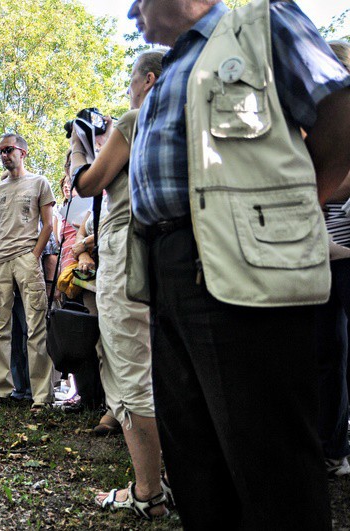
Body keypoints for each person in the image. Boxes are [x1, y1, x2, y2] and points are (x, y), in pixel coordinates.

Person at [125, 1, 350, 527]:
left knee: (269, 456)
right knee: (196, 458)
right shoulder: (171, 68)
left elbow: (339, 112)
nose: (133, 10)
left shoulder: (263, 23)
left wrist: (298, 205)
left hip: (245, 262)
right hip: (168, 267)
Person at [71, 49, 168, 519]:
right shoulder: (191, 122)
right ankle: (172, 473)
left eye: (131, 83)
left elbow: (87, 184)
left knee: (130, 367)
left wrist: (80, 147)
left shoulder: (137, 120)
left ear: (148, 80)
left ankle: (148, 491)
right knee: (165, 369)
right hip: (167, 258)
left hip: (128, 259)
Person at [0, 133, 55, 412]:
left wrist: (34, 256)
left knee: (36, 327)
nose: (4, 155)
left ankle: (41, 396)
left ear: (23, 152)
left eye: (8, 150)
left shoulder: (39, 183)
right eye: (0, 151)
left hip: (26, 258)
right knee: (0, 328)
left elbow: (48, 225)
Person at [316, 40, 350, 477]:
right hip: (321, 257)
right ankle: (332, 447)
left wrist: (308, 193)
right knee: (326, 353)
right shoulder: (318, 118)